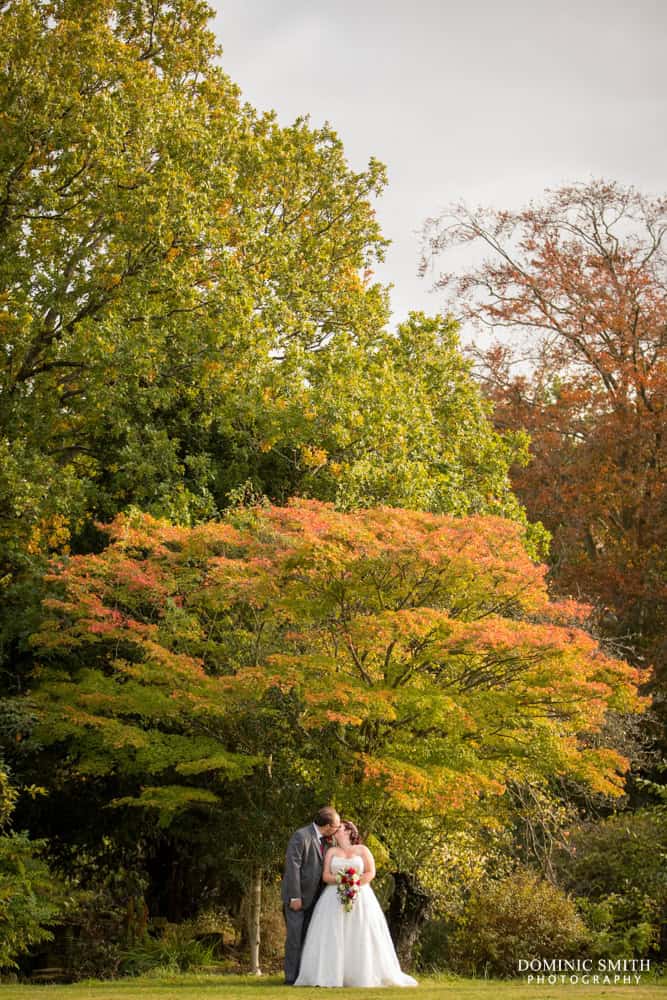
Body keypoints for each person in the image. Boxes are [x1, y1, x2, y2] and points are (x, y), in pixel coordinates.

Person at [294, 819, 418, 988]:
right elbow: (325, 876)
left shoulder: (362, 850)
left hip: (360, 896)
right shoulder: (331, 852)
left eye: (339, 829)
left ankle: (361, 975)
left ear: (348, 831)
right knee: (333, 934)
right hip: (333, 897)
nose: (335, 832)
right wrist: (342, 880)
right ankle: (330, 974)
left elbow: (370, 872)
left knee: (360, 933)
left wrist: (354, 883)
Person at [281, 806, 341, 985]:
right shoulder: (301, 836)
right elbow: (293, 867)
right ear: (329, 825)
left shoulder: (329, 842)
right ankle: (291, 978)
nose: (338, 829)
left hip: (318, 900)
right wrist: (294, 897)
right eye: (337, 825)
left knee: (309, 939)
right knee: (294, 939)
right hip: (298, 899)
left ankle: (304, 976)